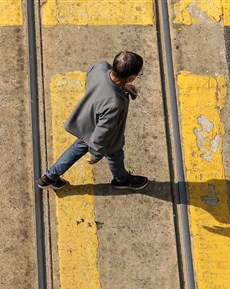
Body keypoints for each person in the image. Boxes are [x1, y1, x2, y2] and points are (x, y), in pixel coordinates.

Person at [37, 51, 149, 191]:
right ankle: (121, 180)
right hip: (105, 135)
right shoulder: (114, 104)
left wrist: (122, 87)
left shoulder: (101, 67)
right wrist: (95, 155)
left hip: (87, 121)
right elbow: (102, 134)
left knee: (78, 147)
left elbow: (94, 77)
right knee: (115, 155)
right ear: (131, 78)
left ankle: (49, 177)